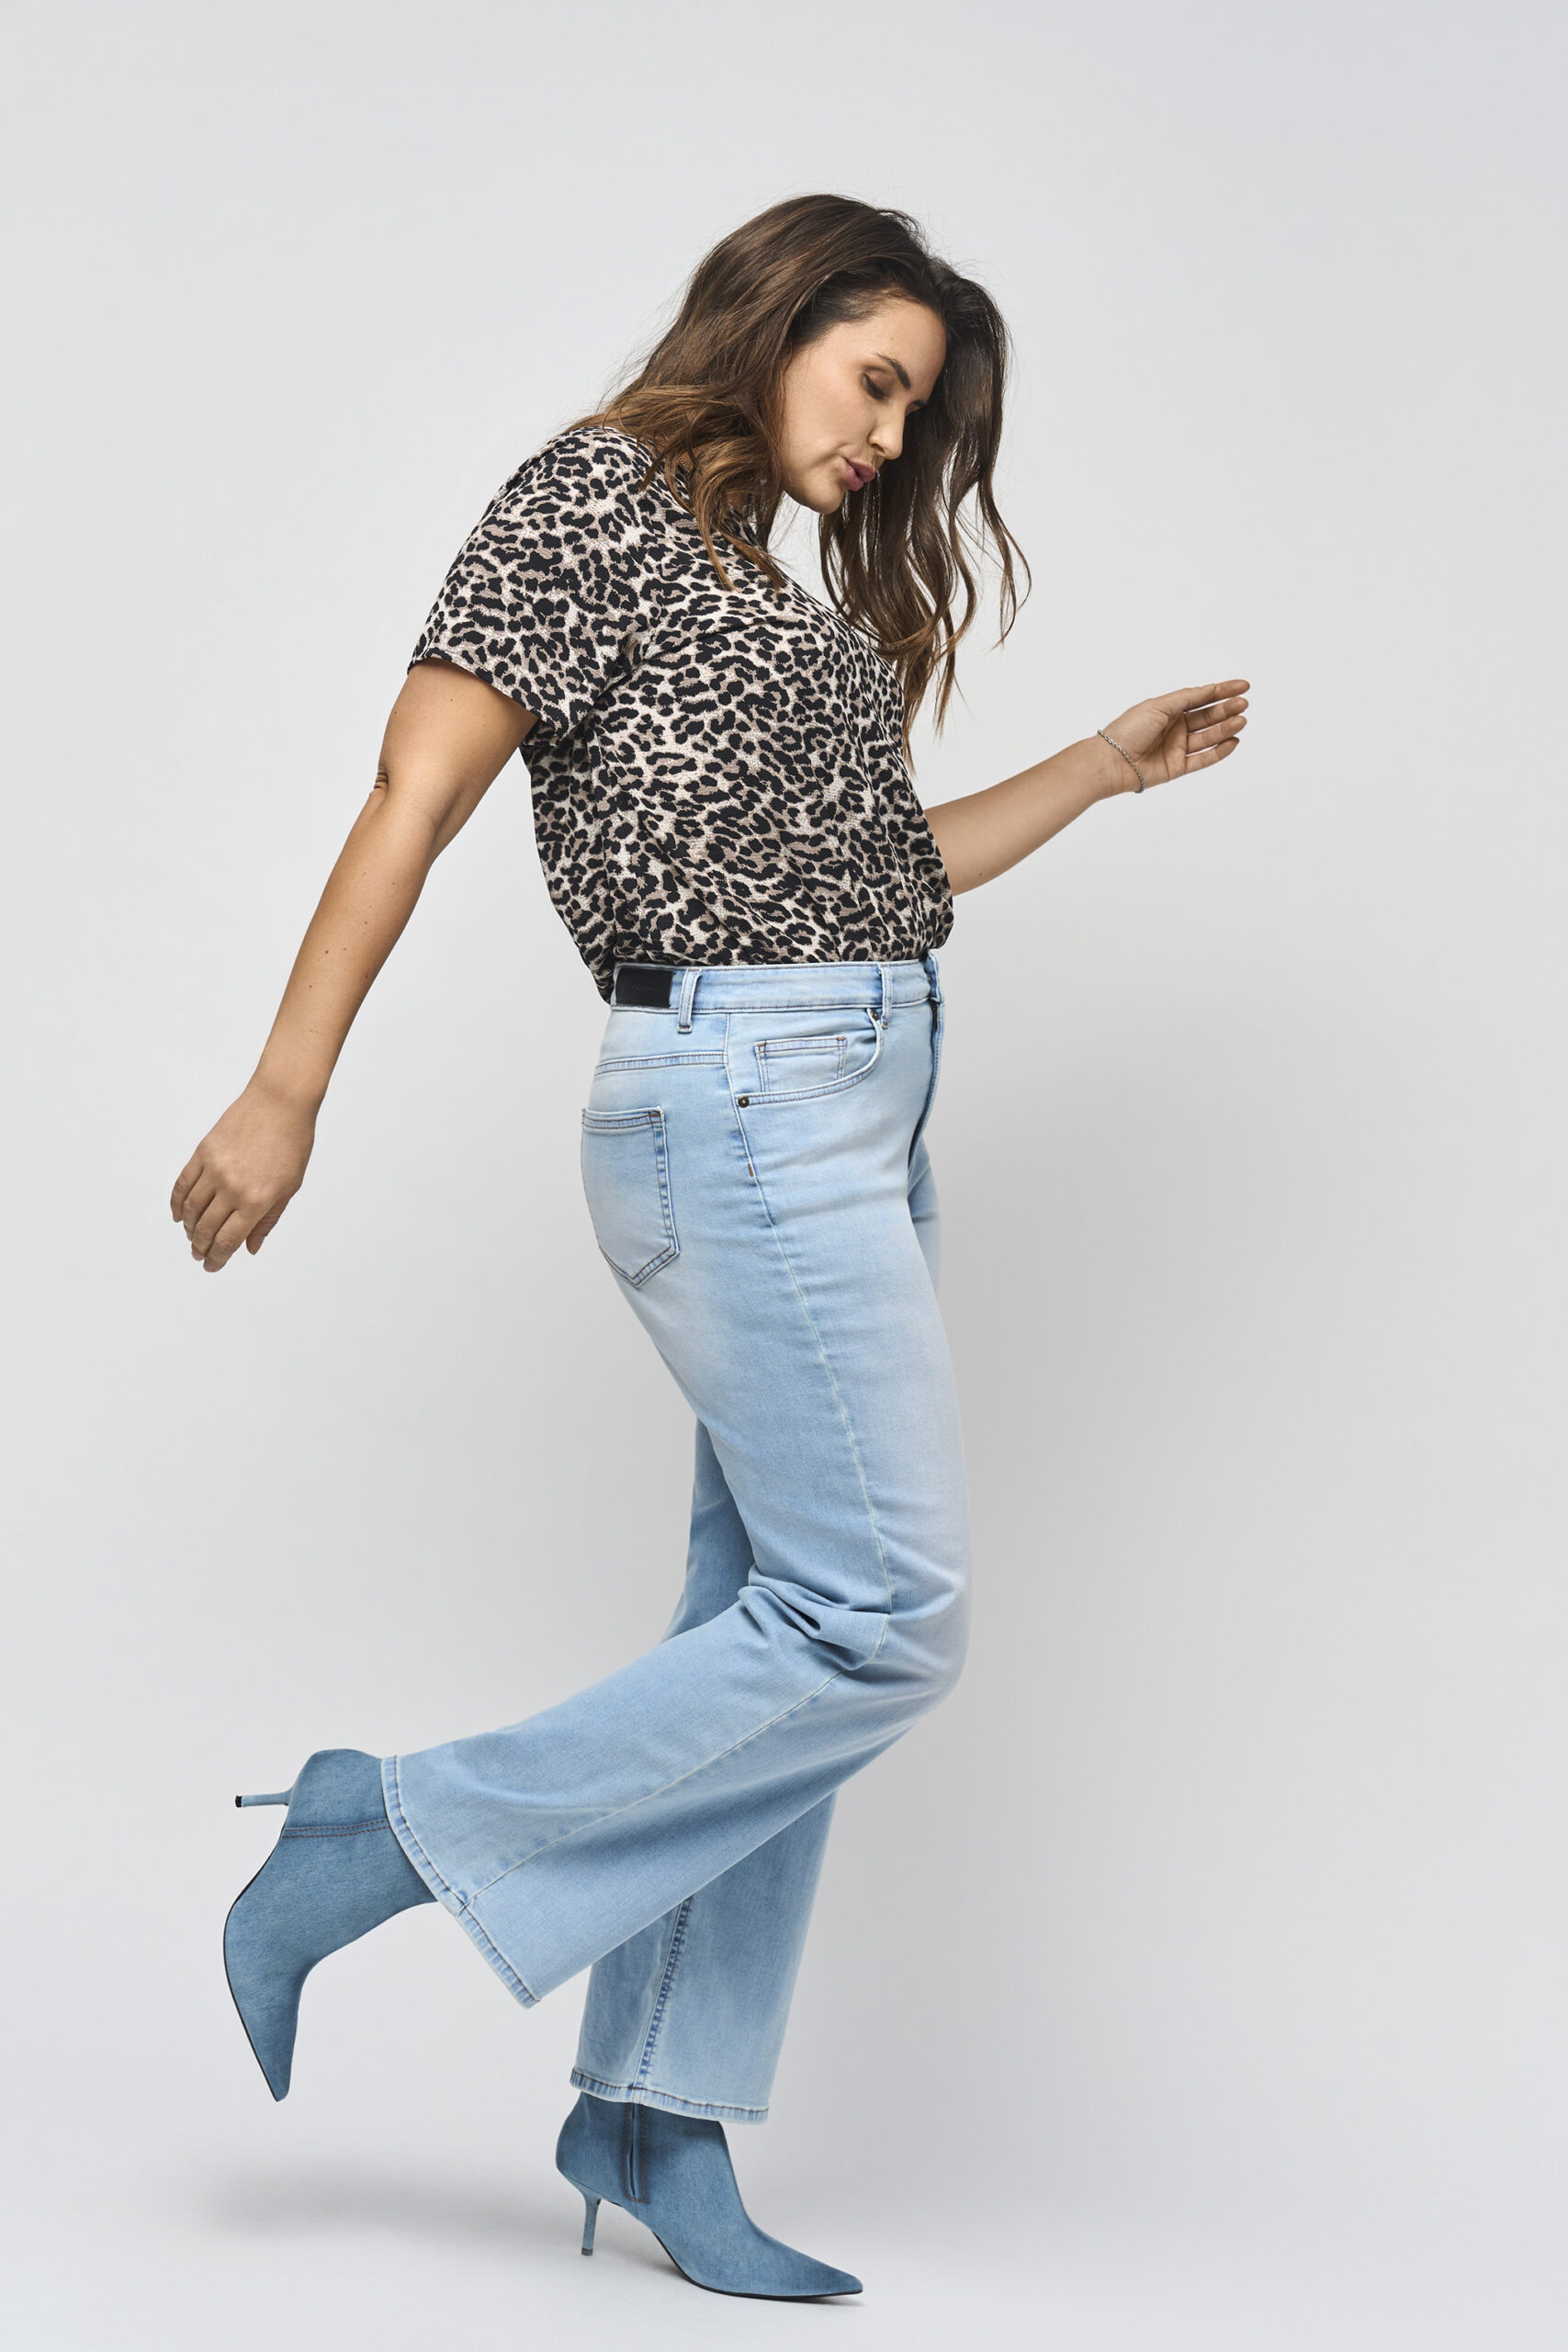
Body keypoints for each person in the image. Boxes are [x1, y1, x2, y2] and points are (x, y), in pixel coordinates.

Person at [172, 193, 1247, 2301]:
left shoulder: (761, 585)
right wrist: (285, 1083)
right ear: (775, 315)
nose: (887, 440)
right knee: (883, 1617)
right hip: (742, 1108)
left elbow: (871, 876)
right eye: (877, 382)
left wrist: (1099, 769)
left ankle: (654, 2112)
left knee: (771, 1623)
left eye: (914, 416)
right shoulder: (587, 500)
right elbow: (412, 790)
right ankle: (381, 1827)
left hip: (849, 1103)